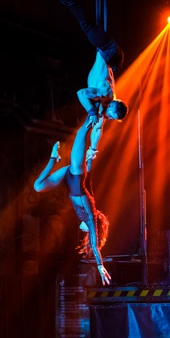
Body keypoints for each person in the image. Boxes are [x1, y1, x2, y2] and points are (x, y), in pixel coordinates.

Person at [45, 0, 129, 152]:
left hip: (114, 60)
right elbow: (81, 93)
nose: (108, 118)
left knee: (91, 27)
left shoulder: (107, 102)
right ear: (112, 106)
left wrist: (93, 149)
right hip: (109, 51)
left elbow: (99, 128)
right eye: (111, 116)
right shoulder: (104, 95)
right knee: (86, 25)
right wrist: (92, 112)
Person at [33, 115, 112, 286]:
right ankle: (96, 114)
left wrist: (90, 164)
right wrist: (100, 265)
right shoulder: (90, 216)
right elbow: (94, 244)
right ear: (94, 227)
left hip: (68, 178)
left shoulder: (89, 208)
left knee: (38, 186)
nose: (84, 231)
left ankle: (53, 158)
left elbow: (89, 184)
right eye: (88, 232)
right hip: (76, 172)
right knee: (81, 133)